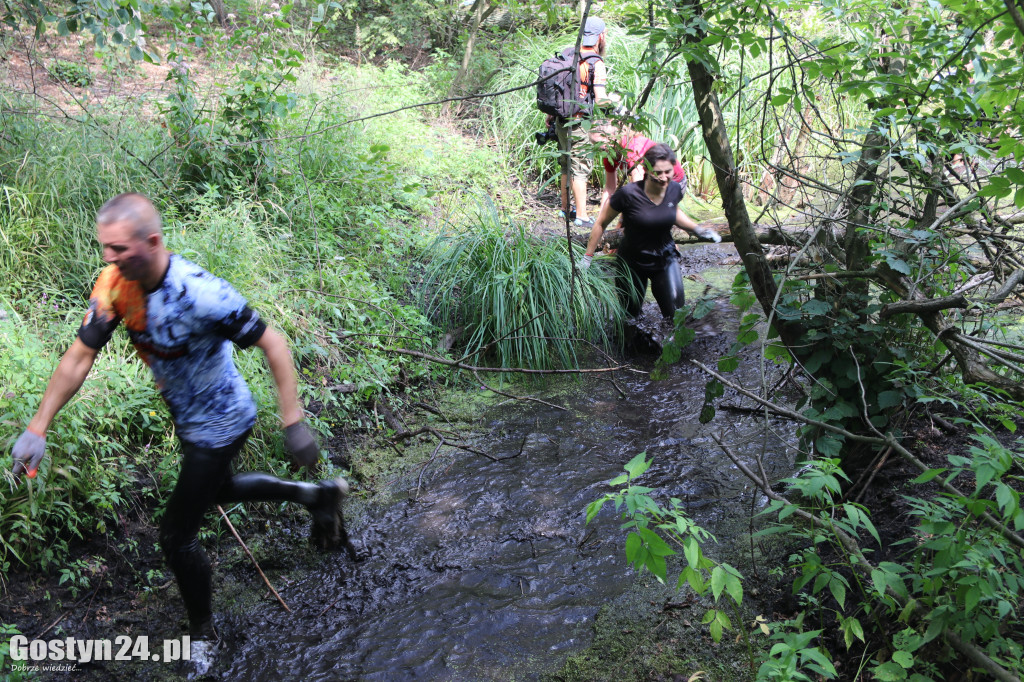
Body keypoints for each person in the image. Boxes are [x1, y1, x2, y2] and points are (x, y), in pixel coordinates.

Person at [9, 193, 354, 645]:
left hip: (223, 422)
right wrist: (37, 427)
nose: (108, 259)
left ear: (151, 241)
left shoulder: (201, 293)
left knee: (176, 536)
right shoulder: (115, 284)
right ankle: (319, 496)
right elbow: (79, 358)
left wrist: (294, 421)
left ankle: (203, 637)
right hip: (190, 423)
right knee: (220, 490)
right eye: (105, 248)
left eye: (118, 249)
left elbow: (274, 343)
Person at [579, 143, 721, 319]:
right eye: (657, 172)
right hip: (632, 263)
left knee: (676, 316)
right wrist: (587, 257)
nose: (663, 178)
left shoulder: (675, 189)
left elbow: (671, 211)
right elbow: (601, 223)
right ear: (646, 169)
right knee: (630, 318)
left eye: (667, 172)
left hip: (665, 259)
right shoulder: (628, 194)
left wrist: (697, 229)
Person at [547, 16, 618, 229]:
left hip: (560, 120)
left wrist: (550, 115)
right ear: (601, 36)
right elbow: (601, 99)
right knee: (581, 168)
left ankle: (565, 209)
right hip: (578, 122)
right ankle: (583, 217)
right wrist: (615, 101)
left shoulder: (569, 55)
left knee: (565, 165)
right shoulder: (596, 62)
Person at [593, 124, 687, 209]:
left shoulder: (633, 148)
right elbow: (609, 188)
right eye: (596, 145)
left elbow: (640, 188)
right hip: (652, 181)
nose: (601, 149)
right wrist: (600, 222)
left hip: (673, 181)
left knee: (652, 216)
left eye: (603, 145)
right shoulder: (609, 154)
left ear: (615, 137)